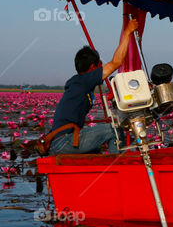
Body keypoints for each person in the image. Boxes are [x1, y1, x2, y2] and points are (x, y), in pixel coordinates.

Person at [47, 19, 139, 155]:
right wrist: (127, 32)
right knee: (115, 129)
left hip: (62, 141)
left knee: (96, 153)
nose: (102, 69)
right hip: (64, 142)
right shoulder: (83, 81)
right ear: (92, 67)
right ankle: (119, 167)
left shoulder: (79, 83)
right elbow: (116, 62)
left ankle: (109, 170)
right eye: (100, 66)